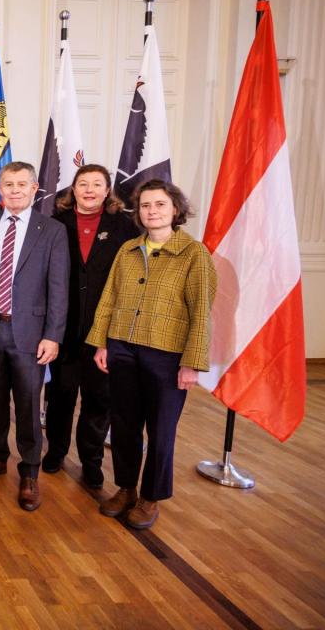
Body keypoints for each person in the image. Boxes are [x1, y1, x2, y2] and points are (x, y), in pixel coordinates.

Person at [87, 179, 216, 529]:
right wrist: (102, 343)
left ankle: (150, 497)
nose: (152, 211)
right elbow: (109, 299)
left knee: (161, 431)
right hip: (123, 348)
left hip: (167, 355)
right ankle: (126, 488)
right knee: (124, 425)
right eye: (145, 205)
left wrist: (192, 363)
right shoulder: (128, 250)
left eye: (159, 204)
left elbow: (201, 312)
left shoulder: (194, 254)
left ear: (175, 209)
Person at [0, 161, 68, 512]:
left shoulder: (51, 231)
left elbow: (58, 289)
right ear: (0, 189)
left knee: (28, 404)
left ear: (34, 189)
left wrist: (53, 335)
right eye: (9, 184)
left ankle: (30, 471)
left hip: (31, 334)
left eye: (22, 184)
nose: (15, 190)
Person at [42, 164, 139, 489]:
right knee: (60, 395)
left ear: (107, 190)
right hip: (63, 328)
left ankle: (91, 461)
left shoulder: (125, 226)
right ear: (73, 189)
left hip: (105, 330)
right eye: (83, 184)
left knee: (98, 399)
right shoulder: (56, 223)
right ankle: (55, 451)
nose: (89, 190)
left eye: (97, 184)